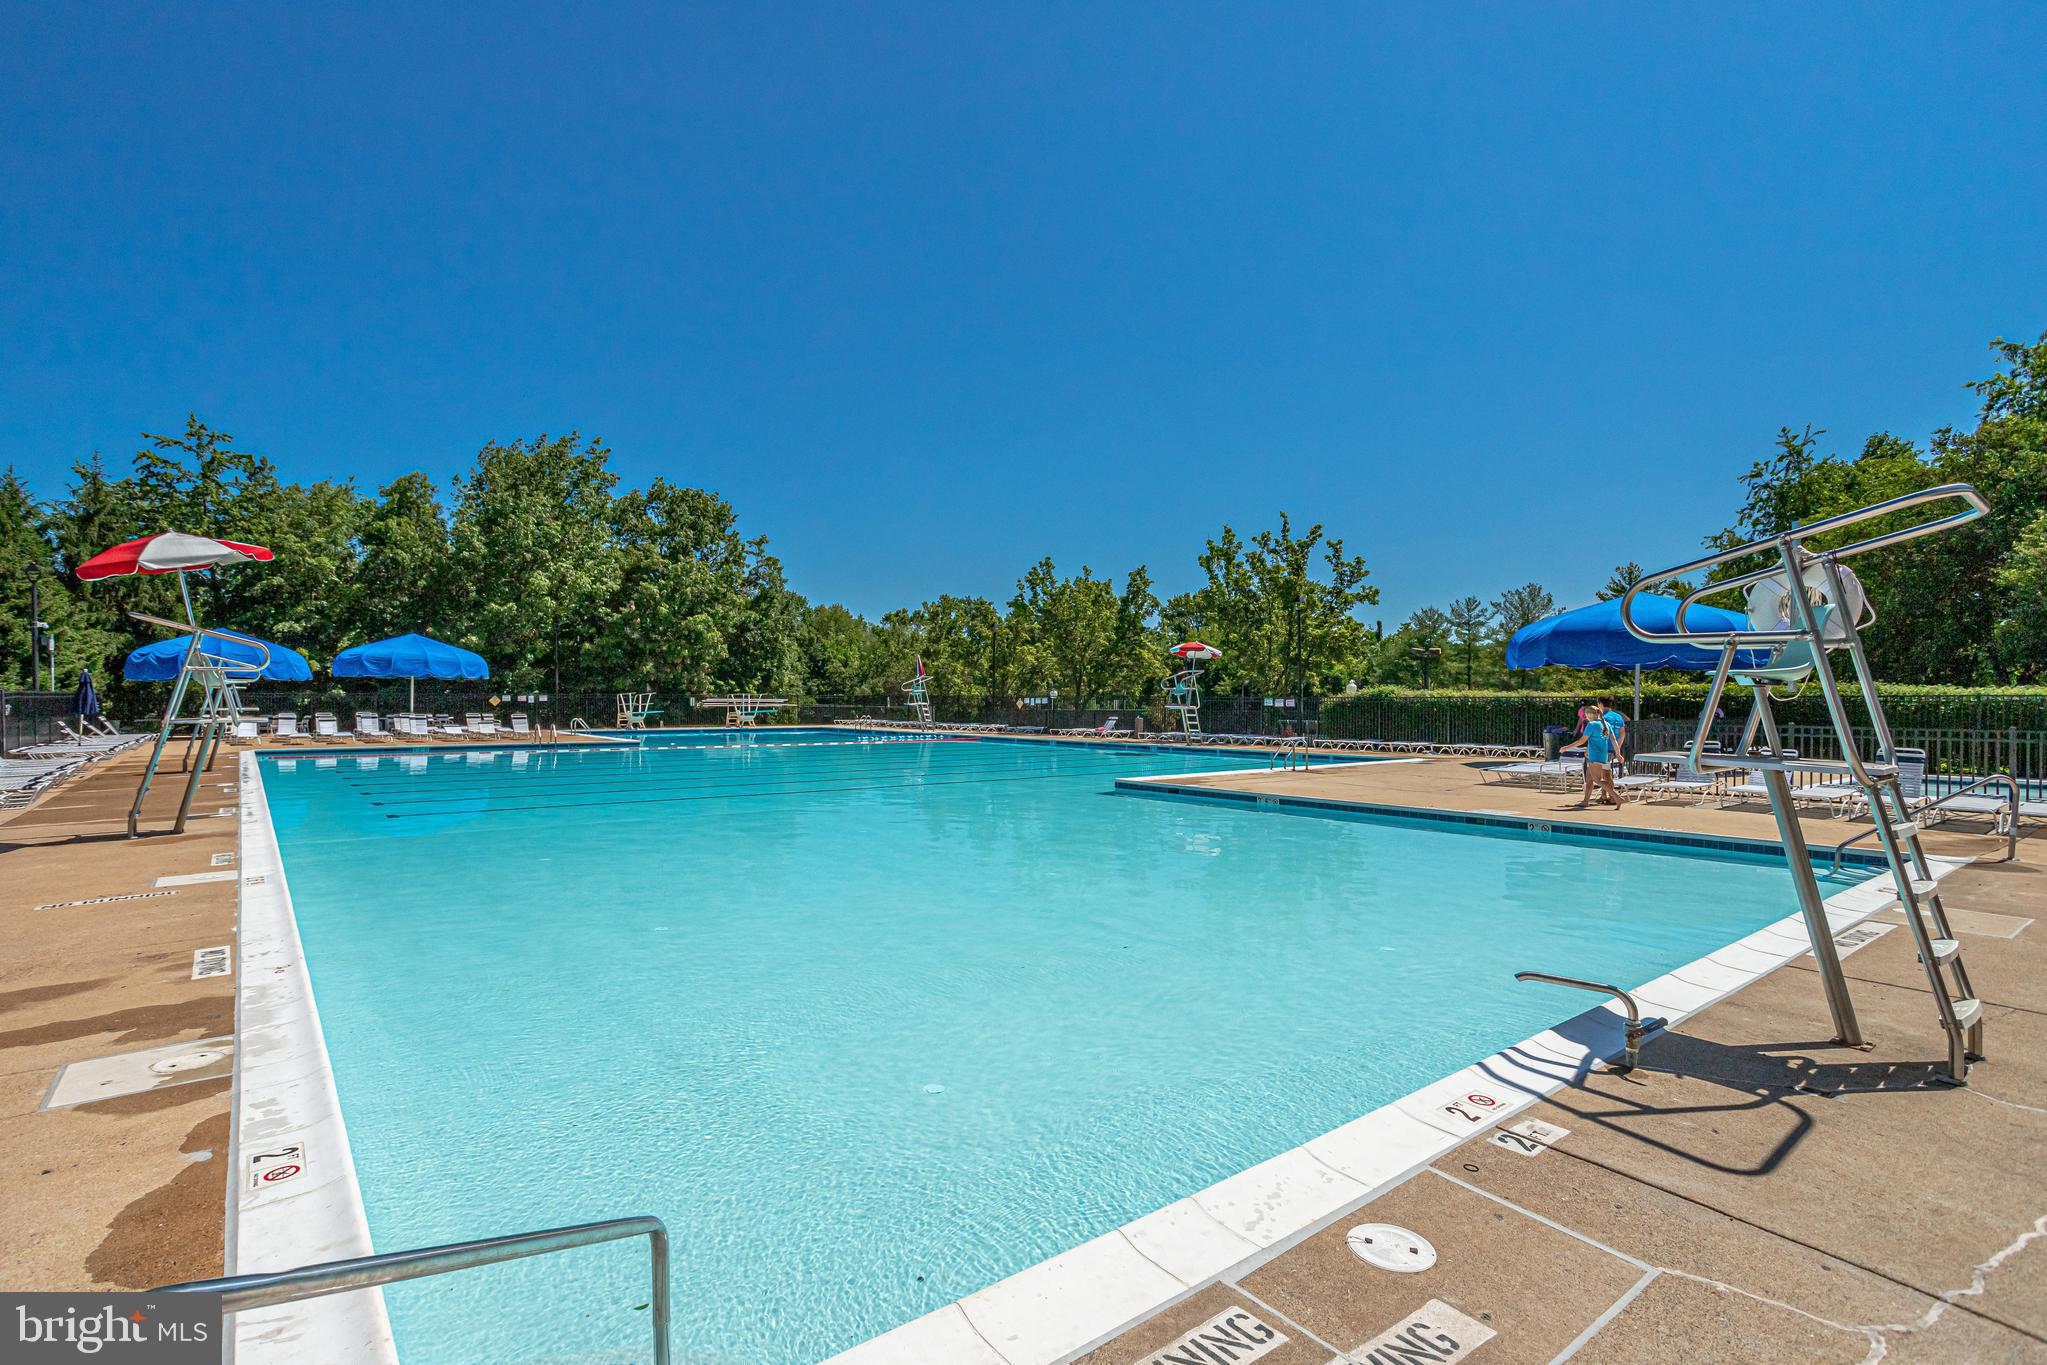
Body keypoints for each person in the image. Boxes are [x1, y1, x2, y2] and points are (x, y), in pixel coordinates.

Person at [1561, 699, 1625, 809]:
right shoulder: (1606, 724)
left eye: (1585, 715)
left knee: (1597, 780)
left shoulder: (1592, 725)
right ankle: (1586, 801)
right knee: (1591, 778)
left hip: (1594, 756)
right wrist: (1618, 754)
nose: (1585, 717)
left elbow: (1581, 741)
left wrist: (1567, 748)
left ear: (1589, 715)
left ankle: (1616, 797)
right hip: (1603, 755)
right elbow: (1614, 740)